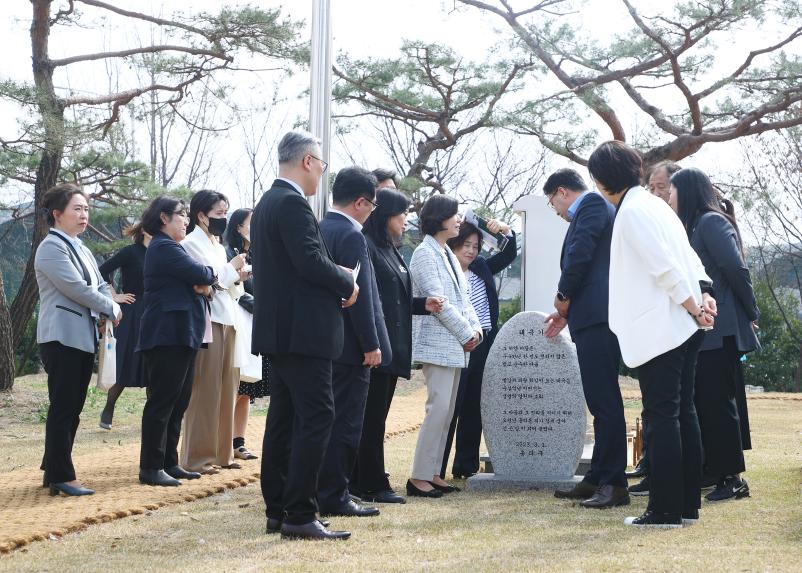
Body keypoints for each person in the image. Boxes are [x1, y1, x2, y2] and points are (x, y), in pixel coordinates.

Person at [588, 140, 716, 528]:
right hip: (683, 322)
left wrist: (694, 304)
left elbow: (663, 267)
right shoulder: (655, 204)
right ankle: (686, 506)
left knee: (663, 416)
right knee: (682, 414)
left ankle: (663, 510)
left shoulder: (631, 212)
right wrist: (704, 295)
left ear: (599, 180)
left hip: (666, 325)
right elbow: (690, 257)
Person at [251, 130, 358, 541]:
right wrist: (347, 282)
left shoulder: (266, 203)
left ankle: (279, 509)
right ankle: (299, 512)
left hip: (282, 331)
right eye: (322, 165)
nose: (322, 175)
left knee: (285, 419)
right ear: (309, 161)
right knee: (316, 417)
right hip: (304, 332)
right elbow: (311, 262)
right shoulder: (293, 203)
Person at [669, 167, 759, 502]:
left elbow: (736, 270)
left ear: (688, 192)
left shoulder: (710, 222)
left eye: (672, 191)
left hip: (720, 331)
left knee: (718, 404)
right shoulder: (695, 225)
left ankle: (732, 478)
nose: (668, 197)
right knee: (706, 402)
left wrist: (751, 313)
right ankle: (713, 469)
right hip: (707, 330)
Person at [541, 168, 629, 509]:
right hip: (590, 315)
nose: (558, 213)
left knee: (605, 401)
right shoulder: (597, 205)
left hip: (598, 317)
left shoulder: (592, 203)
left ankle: (614, 483)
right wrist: (566, 313)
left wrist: (563, 295)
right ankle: (598, 476)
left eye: (553, 204)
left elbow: (581, 252)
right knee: (599, 399)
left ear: (562, 192)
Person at [352, 187, 443, 504]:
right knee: (371, 420)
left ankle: (367, 479)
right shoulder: (367, 246)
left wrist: (422, 304)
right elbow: (369, 301)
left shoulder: (391, 249)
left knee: (376, 418)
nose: (406, 220)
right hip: (376, 346)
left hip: (393, 346)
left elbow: (395, 298)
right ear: (385, 215)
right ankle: (372, 483)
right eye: (402, 213)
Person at [35, 183, 122, 496]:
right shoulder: (50, 247)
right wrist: (110, 307)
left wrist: (104, 306)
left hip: (82, 336)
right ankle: (62, 474)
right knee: (64, 406)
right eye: (77, 208)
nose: (84, 214)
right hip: (60, 337)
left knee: (72, 406)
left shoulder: (80, 246)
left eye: (86, 208)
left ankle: (52, 468)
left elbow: (99, 283)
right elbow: (76, 288)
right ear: (57, 214)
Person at [317, 166, 391, 517]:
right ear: (361, 202)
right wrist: (371, 344)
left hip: (327, 342)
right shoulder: (351, 235)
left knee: (326, 421)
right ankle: (335, 494)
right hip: (350, 347)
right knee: (346, 424)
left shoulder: (320, 228)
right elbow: (359, 297)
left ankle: (325, 490)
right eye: (374, 205)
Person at [136, 197, 218, 486]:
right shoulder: (163, 247)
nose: (186, 220)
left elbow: (204, 280)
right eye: (181, 215)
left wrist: (204, 284)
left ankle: (169, 462)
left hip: (183, 333)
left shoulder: (172, 248)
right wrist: (204, 280)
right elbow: (203, 273)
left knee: (179, 401)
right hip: (166, 334)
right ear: (163, 218)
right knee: (162, 402)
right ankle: (150, 467)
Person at [407, 194, 482, 498]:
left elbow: (464, 300)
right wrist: (467, 333)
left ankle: (434, 472)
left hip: (455, 343)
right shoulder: (425, 253)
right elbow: (439, 302)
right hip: (438, 343)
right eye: (454, 215)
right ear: (439, 218)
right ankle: (419, 477)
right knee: (437, 408)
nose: (459, 220)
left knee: (447, 410)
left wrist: (475, 330)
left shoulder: (446, 253)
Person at [440, 218, 517, 480]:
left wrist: (507, 231)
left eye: (475, 245)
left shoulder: (482, 267)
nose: (471, 251)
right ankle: (436, 468)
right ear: (453, 244)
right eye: (466, 245)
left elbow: (508, 254)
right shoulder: (445, 270)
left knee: (474, 404)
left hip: (483, 342)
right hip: (456, 343)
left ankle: (466, 465)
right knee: (451, 406)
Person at [180, 190, 249, 474]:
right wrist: (230, 270)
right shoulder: (190, 244)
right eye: (219, 213)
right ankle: (197, 456)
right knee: (205, 390)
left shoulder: (218, 246)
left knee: (227, 388)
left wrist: (235, 275)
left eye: (225, 212)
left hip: (229, 317)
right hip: (208, 320)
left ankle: (222, 453)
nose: (223, 218)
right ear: (201, 215)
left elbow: (223, 282)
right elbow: (207, 279)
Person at [224, 208, 268, 461]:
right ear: (239, 227)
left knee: (247, 389)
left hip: (255, 326)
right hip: (237, 324)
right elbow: (233, 289)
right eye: (252, 223)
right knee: (235, 386)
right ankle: (223, 441)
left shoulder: (261, 254)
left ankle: (238, 443)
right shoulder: (229, 253)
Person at [97, 223, 150, 430]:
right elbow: (101, 271)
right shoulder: (131, 252)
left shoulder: (163, 251)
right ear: (145, 229)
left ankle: (151, 419)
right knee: (125, 360)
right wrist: (114, 296)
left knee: (153, 363)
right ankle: (109, 407)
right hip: (133, 311)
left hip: (156, 312)